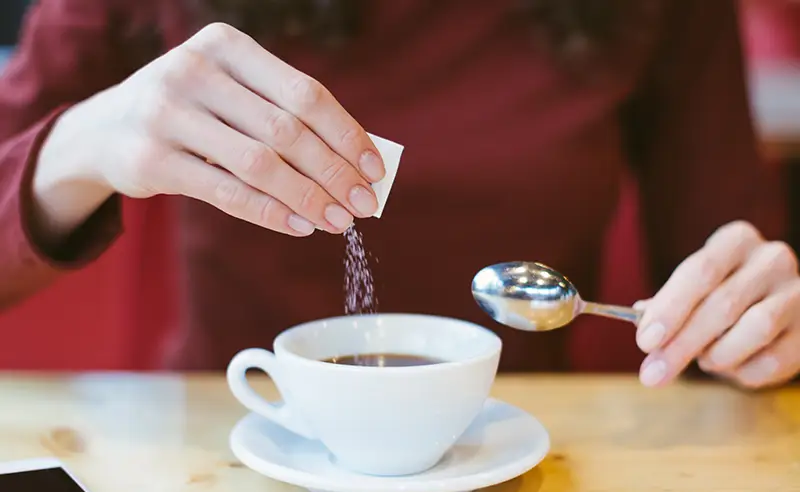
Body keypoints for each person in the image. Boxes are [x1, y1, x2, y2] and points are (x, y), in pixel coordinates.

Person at [0, 0, 797, 388]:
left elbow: (726, 266)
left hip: (527, 463)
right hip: (229, 452)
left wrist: (757, 320)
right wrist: (83, 145)